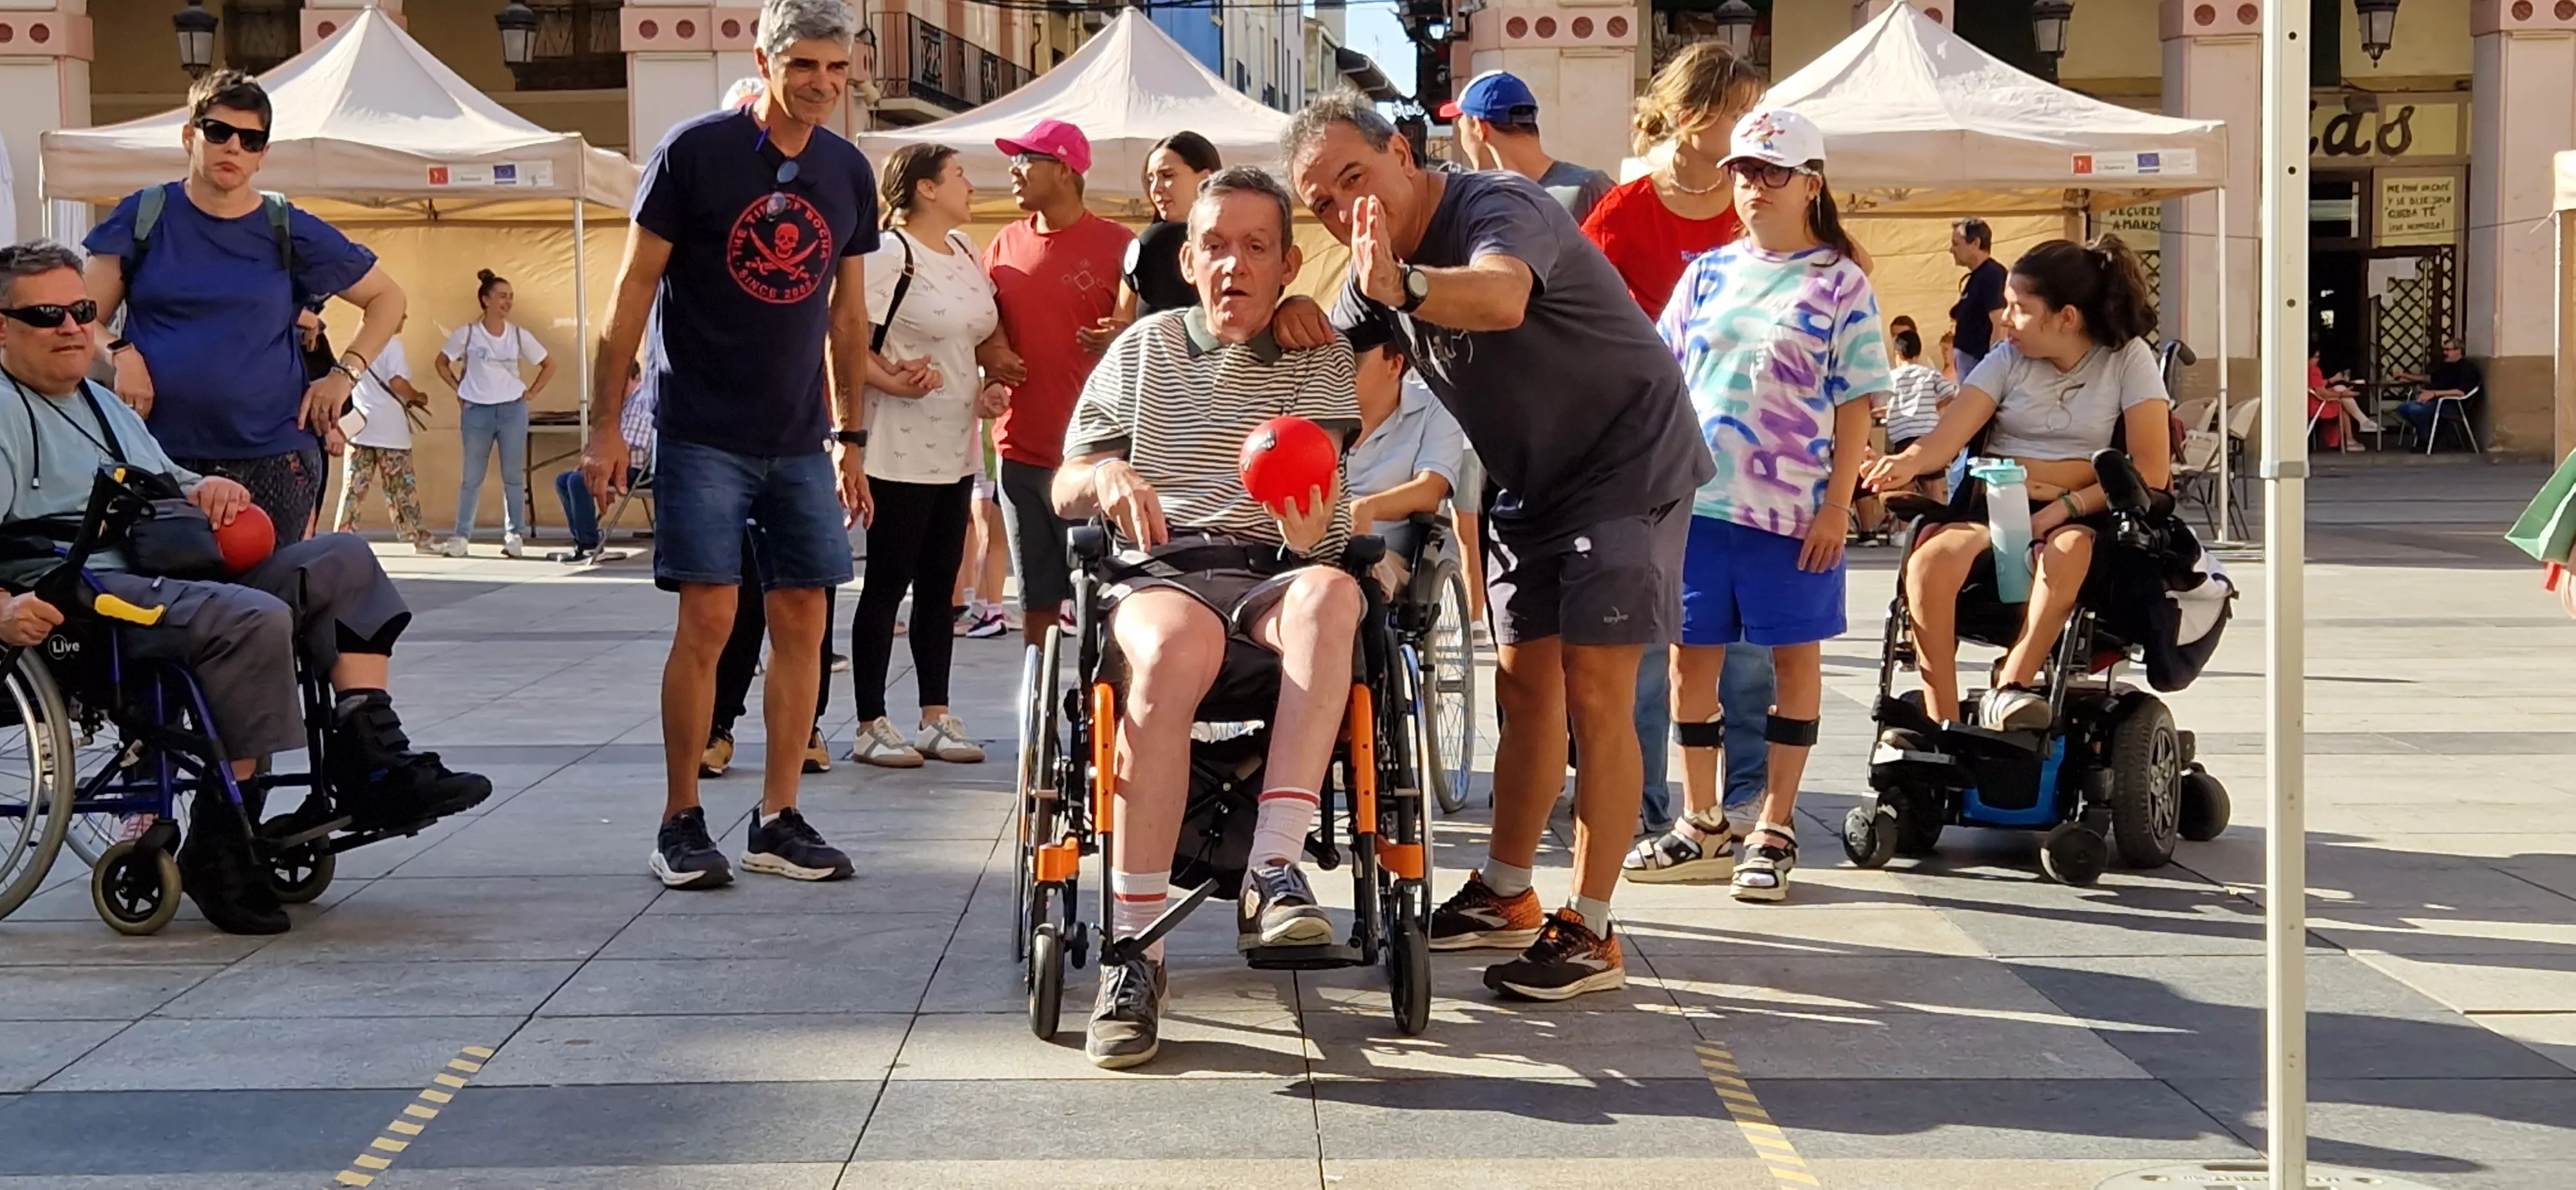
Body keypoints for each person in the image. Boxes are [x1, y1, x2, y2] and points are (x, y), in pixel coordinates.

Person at [1284, 94, 1715, 1002]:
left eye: (1353, 179)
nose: (1343, 210)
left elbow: (1504, 295)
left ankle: (1592, 930)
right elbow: (1346, 384)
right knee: (1526, 691)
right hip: (1531, 477)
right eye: (1320, 203)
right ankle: (1509, 893)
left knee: (1596, 690)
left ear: (1402, 151)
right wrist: (1294, 325)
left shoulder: (1498, 206)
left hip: (1626, 456)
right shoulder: (1369, 274)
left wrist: (1409, 287)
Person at [0, 240, 488, 936]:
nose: (75, 326)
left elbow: (162, 475)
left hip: (166, 567)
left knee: (342, 558)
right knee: (254, 616)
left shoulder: (99, 403)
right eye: (48, 314)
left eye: (82, 309)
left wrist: (209, 489)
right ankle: (224, 832)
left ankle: (371, 755)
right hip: (85, 597)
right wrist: (6, 609)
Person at [1049, 166, 1362, 1069]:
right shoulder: (1143, 349)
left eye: (1256, 248)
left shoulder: (1316, 356)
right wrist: (1106, 476)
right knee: (1175, 641)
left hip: (1276, 563)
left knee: (1333, 593)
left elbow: (1327, 506)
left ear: (1288, 264)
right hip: (1163, 568)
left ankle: (1273, 867)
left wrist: (1311, 525)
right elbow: (1066, 480)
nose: (1234, 265)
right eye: (1216, 246)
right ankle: (1135, 952)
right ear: (1188, 260)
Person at [583, 0, 893, 890]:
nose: (825, 86)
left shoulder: (845, 170)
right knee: (711, 620)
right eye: (806, 66)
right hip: (702, 432)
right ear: (763, 59)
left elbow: (847, 312)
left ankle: (778, 817)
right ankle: (681, 820)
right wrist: (606, 424)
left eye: (839, 69)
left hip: (801, 437)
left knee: (807, 619)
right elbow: (631, 294)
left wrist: (850, 436)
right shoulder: (693, 151)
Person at [1624, 108, 1887, 902]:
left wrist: (1838, 504)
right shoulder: (1705, 273)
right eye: (1741, 171)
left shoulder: (1840, 282)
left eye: (1771, 173)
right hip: (1697, 507)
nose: (1751, 188)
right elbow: (1664, 376)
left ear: (1812, 182)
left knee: (1791, 661)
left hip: (1792, 514)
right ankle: (1702, 820)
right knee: (1687, 664)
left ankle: (1773, 824)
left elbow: (1855, 402)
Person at [1577, 42, 1781, 840]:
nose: (1748, 127)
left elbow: (1832, 270)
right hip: (1646, 450)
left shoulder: (1759, 202)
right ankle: (1642, 803)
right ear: (1694, 115)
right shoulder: (1626, 211)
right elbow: (1577, 312)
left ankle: (1749, 797)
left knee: (1745, 644)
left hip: (1751, 449)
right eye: (1737, 110)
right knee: (1648, 635)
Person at [84, 69, 407, 552]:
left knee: (273, 605)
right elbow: (78, 316)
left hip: (274, 455)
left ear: (262, 156)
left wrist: (345, 375)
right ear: (190, 136)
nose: (233, 146)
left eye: (250, 139)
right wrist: (121, 353)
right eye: (219, 132)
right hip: (160, 453)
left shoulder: (287, 226)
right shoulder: (143, 215)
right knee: (172, 604)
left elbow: (388, 299)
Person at [1862, 234, 2171, 733]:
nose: (2003, 319)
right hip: (1999, 502)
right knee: (1929, 564)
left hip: (2087, 513)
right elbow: (1946, 438)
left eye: (2019, 308)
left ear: (2066, 318)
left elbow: (2151, 472)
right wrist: (1903, 463)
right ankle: (1941, 719)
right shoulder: (2007, 358)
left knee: (2067, 552)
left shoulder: (2126, 359)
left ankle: (2012, 686)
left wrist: (2065, 504)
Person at [844, 142, 1005, 768]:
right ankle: (869, 722)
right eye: (959, 175)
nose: (971, 184)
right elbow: (845, 336)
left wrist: (987, 384)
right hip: (895, 447)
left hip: (957, 444)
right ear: (926, 189)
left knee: (942, 587)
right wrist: (890, 378)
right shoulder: (890, 253)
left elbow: (979, 337)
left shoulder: (966, 251)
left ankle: (935, 714)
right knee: (886, 585)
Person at [980, 119, 1136, 649]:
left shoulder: (1120, 244)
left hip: (1098, 457)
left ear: (1065, 170)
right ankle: (1039, 715)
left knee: (1111, 598)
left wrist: (1122, 332)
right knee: (1036, 600)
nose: (1014, 170)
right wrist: (992, 352)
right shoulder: (1003, 242)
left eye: (1027, 159)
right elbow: (985, 322)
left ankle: (1109, 713)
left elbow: (1145, 329)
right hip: (1021, 452)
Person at [437, 270, 554, 556]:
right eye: (502, 296)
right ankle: (462, 536)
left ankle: (514, 536)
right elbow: (441, 363)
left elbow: (549, 364)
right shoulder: (467, 333)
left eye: (511, 297)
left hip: (513, 409)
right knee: (472, 476)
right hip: (476, 411)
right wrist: (459, 389)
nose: (508, 302)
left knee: (513, 475)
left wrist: (531, 393)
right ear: (485, 300)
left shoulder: (518, 335)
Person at [1343, 339, 1466, 592]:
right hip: (1315, 544)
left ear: (1395, 365)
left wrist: (1367, 508)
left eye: (1352, 359)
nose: (1337, 368)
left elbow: (1430, 490)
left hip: (1390, 555)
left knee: (1354, 574)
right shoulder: (1316, 410)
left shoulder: (1435, 409)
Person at [1442, 71, 1615, 224]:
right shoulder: (1592, 186)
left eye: (1461, 126)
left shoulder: (1590, 189)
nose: (1461, 138)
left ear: (1480, 128)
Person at [331, 310, 437, 552]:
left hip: (360, 427)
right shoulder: (393, 345)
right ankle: (418, 537)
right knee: (402, 488)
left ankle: (342, 538)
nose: (404, 319)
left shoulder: (357, 345)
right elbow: (397, 382)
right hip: (390, 430)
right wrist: (417, 397)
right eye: (401, 315)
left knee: (353, 488)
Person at [554, 359, 654, 563]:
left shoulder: (642, 402)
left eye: (621, 382)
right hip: (617, 466)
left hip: (636, 470)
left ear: (636, 378)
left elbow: (627, 445)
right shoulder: (623, 403)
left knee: (577, 481)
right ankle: (583, 541)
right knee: (564, 480)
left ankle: (590, 546)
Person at [1115, 131, 1220, 324]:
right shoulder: (1151, 242)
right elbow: (1122, 321)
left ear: (1205, 178)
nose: (1156, 188)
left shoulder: (1236, 240)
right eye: (1150, 179)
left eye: (1167, 175)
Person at [1880, 326, 1957, 501]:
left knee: (1904, 484)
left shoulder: (1890, 378)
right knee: (1932, 483)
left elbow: (1880, 402)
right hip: (1928, 434)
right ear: (1919, 354)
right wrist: (1937, 406)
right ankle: (1940, 521)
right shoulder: (1929, 374)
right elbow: (1952, 393)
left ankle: (1904, 525)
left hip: (1902, 435)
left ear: (1897, 354)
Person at [1949, 217, 2006, 379]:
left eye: (1956, 244)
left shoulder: (1992, 275)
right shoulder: (1977, 276)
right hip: (1970, 364)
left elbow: (2000, 323)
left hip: (1979, 365)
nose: (1951, 250)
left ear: (1975, 243)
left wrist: (1993, 366)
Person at [2393, 337, 2480, 442]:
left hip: (2452, 404)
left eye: (2448, 350)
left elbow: (2461, 392)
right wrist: (2405, 376)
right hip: (2436, 401)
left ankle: (2427, 438)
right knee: (2404, 408)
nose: (2445, 353)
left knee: (2415, 410)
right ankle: (2427, 434)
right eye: (2444, 350)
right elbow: (2429, 378)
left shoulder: (2468, 368)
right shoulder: (2447, 366)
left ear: (2458, 350)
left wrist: (2434, 394)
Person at [2307, 347, 2370, 452]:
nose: (2318, 360)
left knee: (2341, 392)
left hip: (2310, 402)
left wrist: (2331, 381)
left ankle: (2361, 424)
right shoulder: (2314, 370)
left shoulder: (2305, 369)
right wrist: (2342, 394)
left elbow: (2315, 385)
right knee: (2343, 403)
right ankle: (2355, 432)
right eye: (2316, 357)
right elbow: (2322, 393)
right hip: (2316, 405)